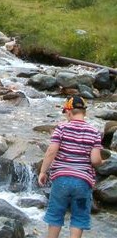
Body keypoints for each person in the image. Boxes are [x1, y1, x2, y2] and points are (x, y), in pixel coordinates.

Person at [38, 95, 104, 238]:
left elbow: (51, 151)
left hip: (61, 179)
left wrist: (43, 171)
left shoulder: (61, 128)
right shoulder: (94, 132)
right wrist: (101, 162)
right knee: (79, 218)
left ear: (68, 112)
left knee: (55, 214)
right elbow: (95, 159)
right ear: (84, 112)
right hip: (83, 181)